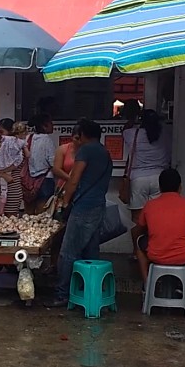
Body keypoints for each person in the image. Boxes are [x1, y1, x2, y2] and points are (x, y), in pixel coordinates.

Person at [46, 119, 113, 308]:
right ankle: (89, 291)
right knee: (91, 252)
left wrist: (66, 202)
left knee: (68, 252)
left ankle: (62, 294)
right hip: (98, 206)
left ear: (83, 134)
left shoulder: (86, 150)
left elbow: (74, 179)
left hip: (83, 207)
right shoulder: (104, 152)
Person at [135, 168, 185, 289]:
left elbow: (140, 227)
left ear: (160, 188)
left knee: (139, 244)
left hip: (156, 256)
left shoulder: (149, 205)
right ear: (180, 187)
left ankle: (148, 283)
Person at [123, 107, 170, 252]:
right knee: (157, 217)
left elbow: (125, 128)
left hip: (138, 180)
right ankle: (155, 249)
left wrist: (133, 120)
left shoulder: (132, 133)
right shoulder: (165, 133)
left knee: (137, 220)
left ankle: (137, 253)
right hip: (159, 179)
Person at [0, 121, 29, 215]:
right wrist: (2, 174)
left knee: (11, 220)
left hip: (13, 189)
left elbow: (15, 166)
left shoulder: (19, 149)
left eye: (1, 132)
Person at [24, 113, 57, 214]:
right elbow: (53, 162)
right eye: (51, 123)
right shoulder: (47, 140)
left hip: (27, 181)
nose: (53, 126)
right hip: (45, 180)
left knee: (28, 212)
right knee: (41, 214)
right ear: (44, 125)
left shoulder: (28, 138)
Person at [52, 123, 82, 191]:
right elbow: (56, 169)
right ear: (72, 137)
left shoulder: (88, 150)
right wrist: (71, 180)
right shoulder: (63, 149)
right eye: (77, 138)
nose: (79, 142)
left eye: (81, 139)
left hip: (83, 188)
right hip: (64, 186)